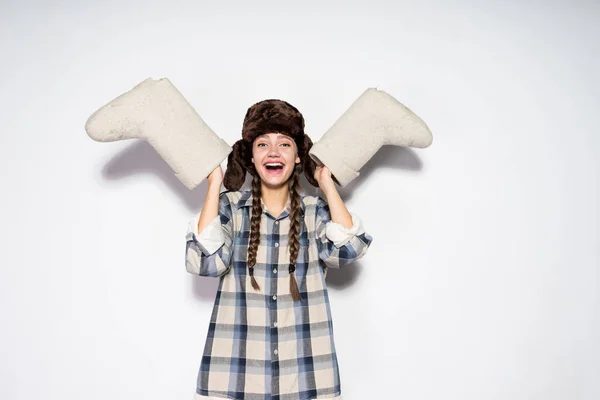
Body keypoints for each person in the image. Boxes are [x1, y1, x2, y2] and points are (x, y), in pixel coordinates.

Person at [185, 98, 373, 400]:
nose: (273, 152)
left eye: (284, 144)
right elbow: (204, 264)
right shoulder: (230, 209)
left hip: (306, 374)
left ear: (299, 157)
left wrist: (325, 181)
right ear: (251, 157)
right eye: (263, 144)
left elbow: (347, 250)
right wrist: (214, 183)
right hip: (234, 376)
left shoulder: (315, 212)